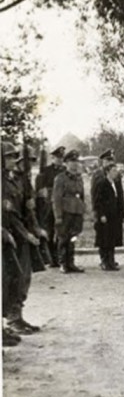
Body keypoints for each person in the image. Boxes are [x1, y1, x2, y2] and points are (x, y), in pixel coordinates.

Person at [3, 142, 42, 338]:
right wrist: (26, 234)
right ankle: (11, 320)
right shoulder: (5, 183)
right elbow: (9, 216)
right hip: (10, 236)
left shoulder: (17, 181)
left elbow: (27, 210)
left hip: (18, 236)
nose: (13, 161)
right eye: (10, 157)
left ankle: (16, 317)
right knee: (8, 279)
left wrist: (34, 228)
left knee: (21, 278)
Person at [53, 149, 86, 275]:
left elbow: (81, 195)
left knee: (73, 237)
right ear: (66, 163)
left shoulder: (79, 178)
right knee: (63, 238)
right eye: (72, 161)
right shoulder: (60, 178)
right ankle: (62, 263)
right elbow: (56, 198)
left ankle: (71, 262)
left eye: (76, 161)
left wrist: (82, 210)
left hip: (76, 211)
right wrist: (58, 216)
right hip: (65, 211)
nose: (74, 164)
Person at [35, 146, 65, 267]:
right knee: (49, 231)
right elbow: (40, 190)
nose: (60, 160)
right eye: (58, 158)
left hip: (61, 205)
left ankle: (58, 257)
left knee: (61, 231)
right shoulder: (46, 171)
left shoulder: (64, 170)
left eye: (61, 158)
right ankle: (50, 257)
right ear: (52, 158)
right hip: (48, 206)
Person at [93, 163, 124, 271]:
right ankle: (104, 261)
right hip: (105, 216)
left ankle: (111, 260)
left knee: (112, 239)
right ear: (107, 171)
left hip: (114, 216)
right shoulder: (102, 183)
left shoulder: (115, 183)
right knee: (104, 239)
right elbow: (98, 201)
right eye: (113, 170)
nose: (116, 173)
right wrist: (101, 214)